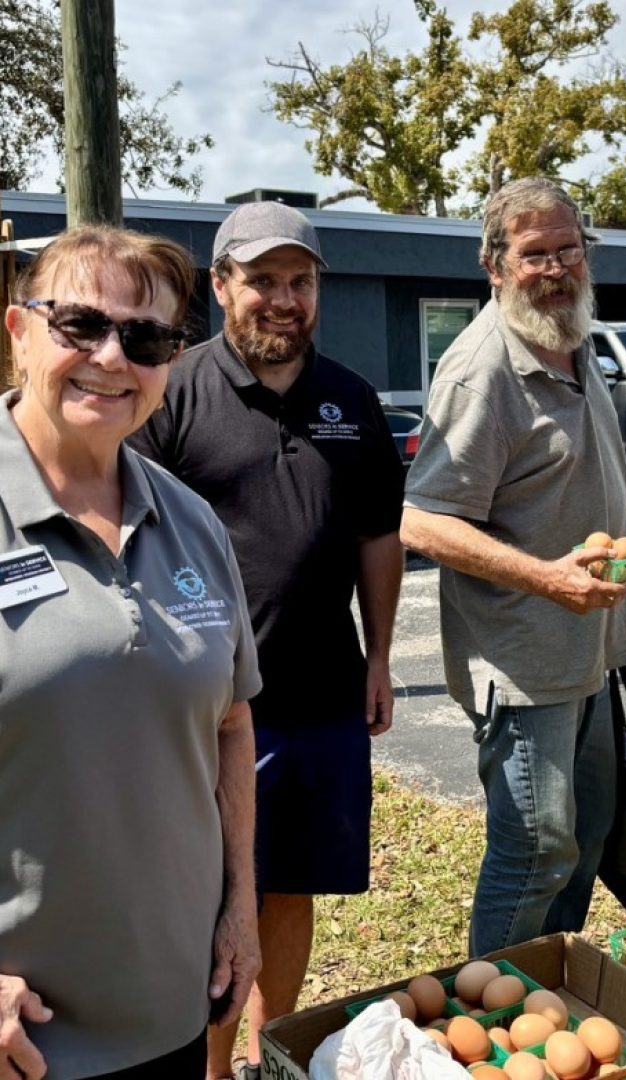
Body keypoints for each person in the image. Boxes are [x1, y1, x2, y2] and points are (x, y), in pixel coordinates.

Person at [128, 202, 405, 1080]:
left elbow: (378, 535)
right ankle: (211, 1068)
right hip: (206, 706)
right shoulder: (171, 393)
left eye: (301, 281)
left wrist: (380, 657)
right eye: (262, 280)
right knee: (213, 893)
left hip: (321, 692)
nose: (283, 299)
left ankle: (270, 1054)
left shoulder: (352, 401)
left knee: (290, 884)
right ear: (220, 286)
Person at [0, 226, 261, 1079]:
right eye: (79, 324)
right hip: (25, 1041)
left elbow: (230, 724)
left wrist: (241, 907)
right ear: (19, 332)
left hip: (174, 1009)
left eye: (147, 339)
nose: (112, 358)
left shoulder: (191, 520)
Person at [400, 177, 626, 956]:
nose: (556, 269)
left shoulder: (572, 336)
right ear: (495, 266)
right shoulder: (483, 371)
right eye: (534, 254)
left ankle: (549, 986)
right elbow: (421, 519)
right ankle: (492, 1007)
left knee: (588, 833)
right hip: (523, 660)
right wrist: (548, 578)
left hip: (588, 651)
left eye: (568, 250)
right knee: (537, 848)